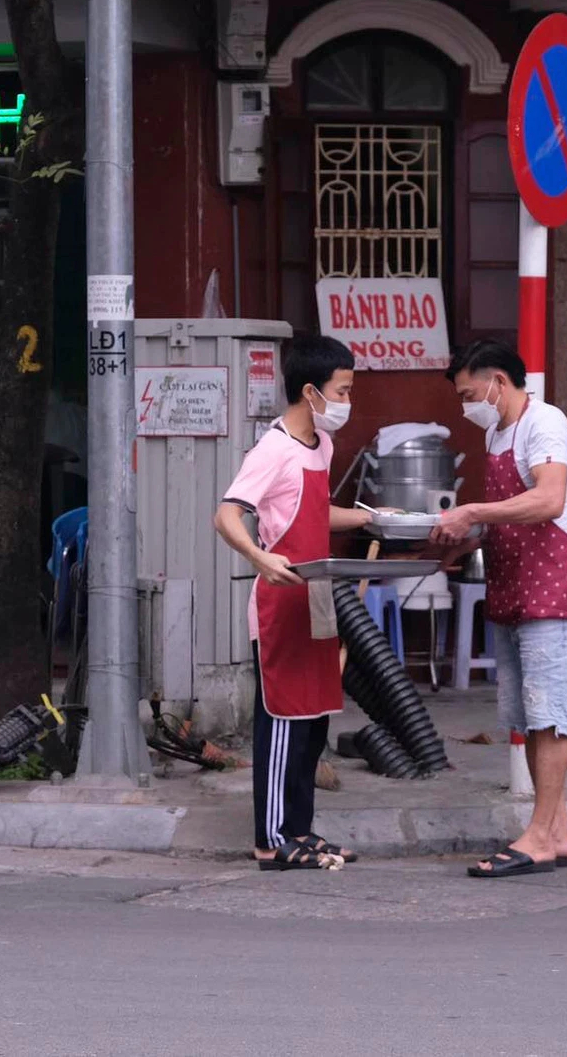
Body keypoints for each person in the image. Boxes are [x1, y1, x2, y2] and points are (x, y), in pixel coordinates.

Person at [213, 334, 371, 870]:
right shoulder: (272, 448)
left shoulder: (321, 446)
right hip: (280, 601)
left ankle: (301, 831)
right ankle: (271, 837)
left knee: (314, 718)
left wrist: (373, 517)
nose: (348, 401)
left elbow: (315, 514)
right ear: (311, 391)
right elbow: (228, 515)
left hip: (318, 597)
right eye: (342, 390)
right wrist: (260, 558)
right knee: (281, 717)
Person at [432, 339, 567, 879]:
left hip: (552, 594)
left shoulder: (545, 423)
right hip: (515, 589)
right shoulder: (499, 431)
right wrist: (465, 540)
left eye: (471, 394)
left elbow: (548, 500)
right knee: (529, 717)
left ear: (499, 380)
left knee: (551, 718)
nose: (467, 406)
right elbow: (509, 516)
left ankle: (539, 837)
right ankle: (558, 831)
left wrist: (471, 510)